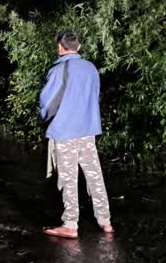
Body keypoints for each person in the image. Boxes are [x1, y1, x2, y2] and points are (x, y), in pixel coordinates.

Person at [40, 31, 113, 238]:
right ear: (78, 47)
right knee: (94, 175)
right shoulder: (91, 68)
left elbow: (47, 102)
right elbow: (95, 96)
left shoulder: (59, 69)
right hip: (87, 129)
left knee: (68, 178)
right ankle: (105, 220)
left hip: (65, 131)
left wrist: (45, 117)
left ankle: (70, 224)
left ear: (60, 48)